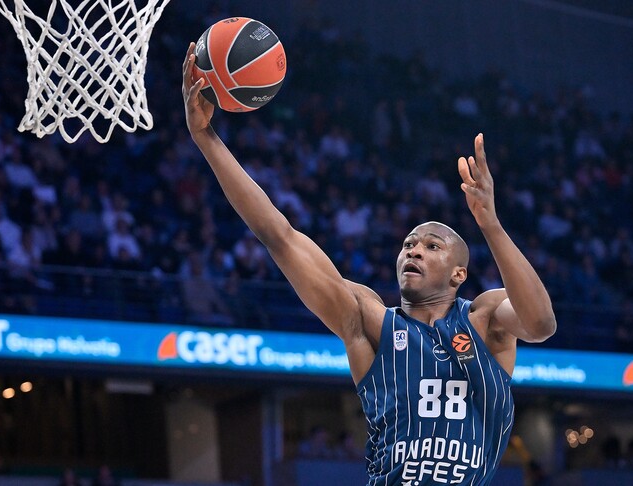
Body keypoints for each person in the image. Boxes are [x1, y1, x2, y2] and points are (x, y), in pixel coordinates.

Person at [182, 42, 556, 485]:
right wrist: (205, 138)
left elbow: (540, 324)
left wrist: (490, 225)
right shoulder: (369, 320)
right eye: (408, 244)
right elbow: (278, 236)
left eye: (431, 246)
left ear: (460, 273)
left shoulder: (486, 318)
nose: (413, 250)